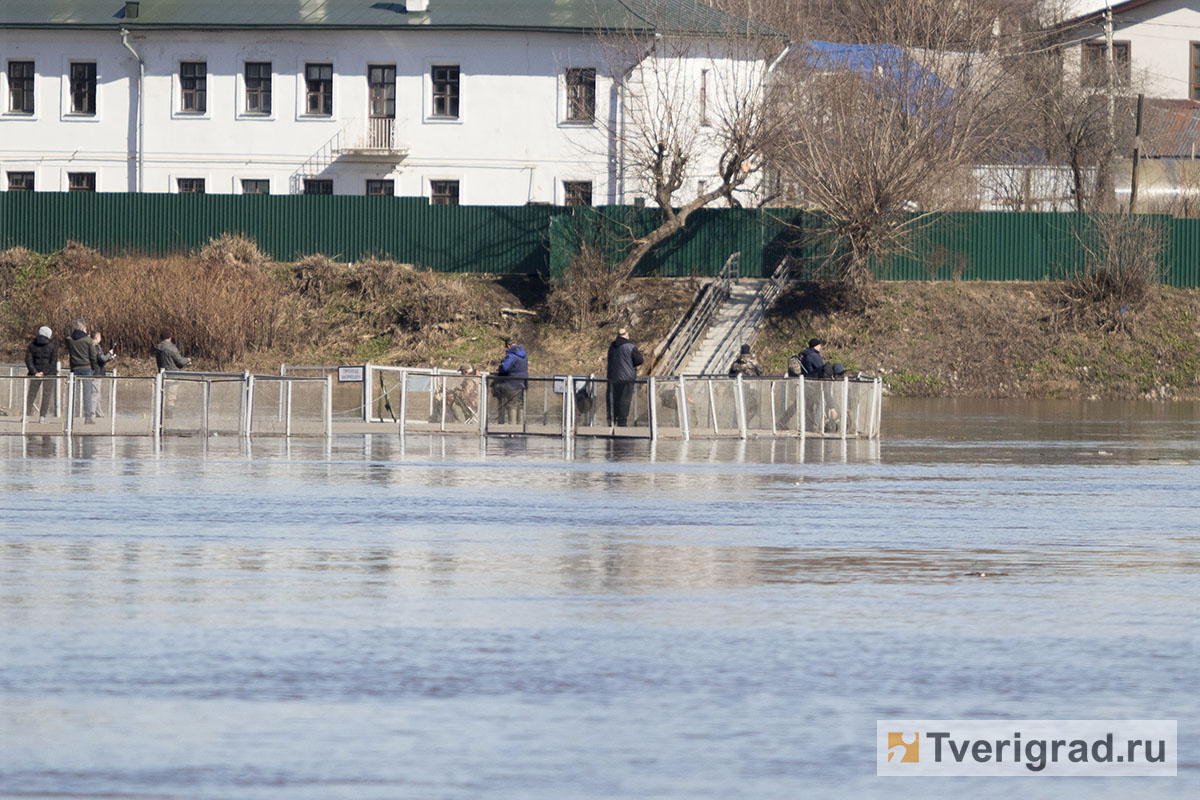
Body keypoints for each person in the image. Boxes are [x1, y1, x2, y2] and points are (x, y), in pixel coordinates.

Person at [606, 326, 644, 427]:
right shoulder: (630, 346)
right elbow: (640, 360)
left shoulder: (612, 346)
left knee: (614, 400)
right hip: (627, 379)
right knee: (624, 400)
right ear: (626, 335)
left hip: (612, 378)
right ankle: (622, 423)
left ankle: (612, 420)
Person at [24, 325, 58, 424]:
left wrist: (35, 372)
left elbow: (28, 360)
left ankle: (26, 415)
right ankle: (42, 417)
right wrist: (45, 372)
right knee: (46, 395)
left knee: (31, 394)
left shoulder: (32, 345)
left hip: (35, 374)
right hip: (49, 374)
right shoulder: (52, 346)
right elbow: (53, 362)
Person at [66, 320, 97, 424]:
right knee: (87, 393)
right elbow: (93, 356)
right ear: (83, 329)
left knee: (74, 393)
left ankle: (71, 415)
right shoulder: (88, 341)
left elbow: (67, 338)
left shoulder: (70, 340)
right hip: (87, 368)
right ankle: (88, 416)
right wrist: (94, 368)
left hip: (74, 368)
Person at [492, 336, 527, 424]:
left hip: (512, 383)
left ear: (508, 345)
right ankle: (520, 427)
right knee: (520, 404)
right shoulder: (523, 354)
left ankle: (512, 428)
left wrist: (501, 366)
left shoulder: (512, 355)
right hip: (523, 382)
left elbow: (505, 368)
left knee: (512, 404)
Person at [89, 331, 115, 419]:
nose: (101, 339)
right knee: (95, 394)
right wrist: (109, 354)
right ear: (96, 337)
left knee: (97, 394)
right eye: (100, 337)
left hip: (96, 372)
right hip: (96, 373)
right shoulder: (94, 347)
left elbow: (101, 360)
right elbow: (101, 358)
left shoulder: (94, 346)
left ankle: (99, 413)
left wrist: (108, 358)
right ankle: (91, 414)